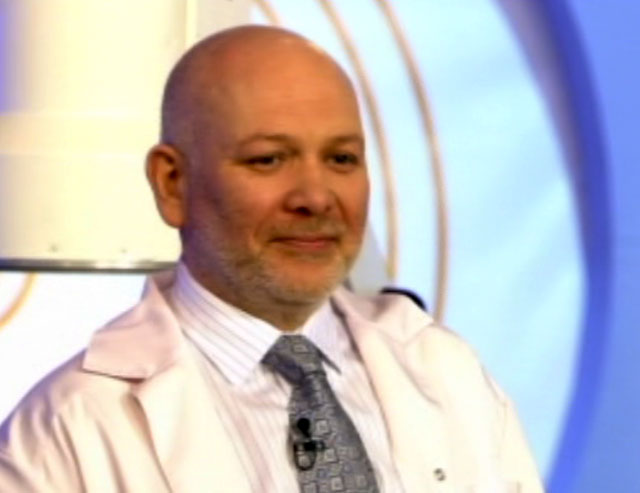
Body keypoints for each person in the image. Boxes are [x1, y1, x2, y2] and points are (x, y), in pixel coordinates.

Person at [0, 25, 544, 492]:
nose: (315, 197)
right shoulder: (66, 429)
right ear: (172, 183)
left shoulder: (448, 373)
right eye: (268, 159)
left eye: (341, 158)